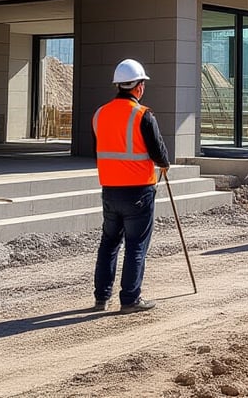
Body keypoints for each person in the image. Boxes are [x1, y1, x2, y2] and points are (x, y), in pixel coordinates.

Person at [91, 59, 170, 314]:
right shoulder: (143, 114)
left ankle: (102, 298)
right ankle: (130, 299)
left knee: (109, 243)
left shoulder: (100, 114)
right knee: (136, 245)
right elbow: (158, 152)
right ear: (138, 86)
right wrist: (164, 164)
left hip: (110, 190)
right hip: (138, 190)